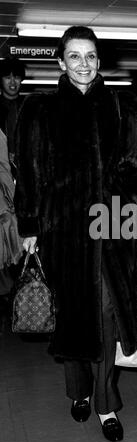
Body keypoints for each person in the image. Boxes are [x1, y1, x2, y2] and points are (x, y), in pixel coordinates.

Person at [14, 26, 137, 442]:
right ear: (61, 62)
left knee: (106, 317)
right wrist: (30, 227)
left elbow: (129, 172)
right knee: (72, 315)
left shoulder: (121, 107)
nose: (83, 64)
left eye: (90, 56)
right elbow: (30, 176)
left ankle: (106, 404)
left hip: (110, 231)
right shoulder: (40, 111)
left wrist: (131, 230)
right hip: (62, 232)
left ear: (99, 61)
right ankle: (78, 391)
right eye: (74, 56)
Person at [0, 57, 26, 312]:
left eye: (16, 77)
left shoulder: (28, 106)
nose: (13, 82)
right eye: (8, 77)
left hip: (23, 184)